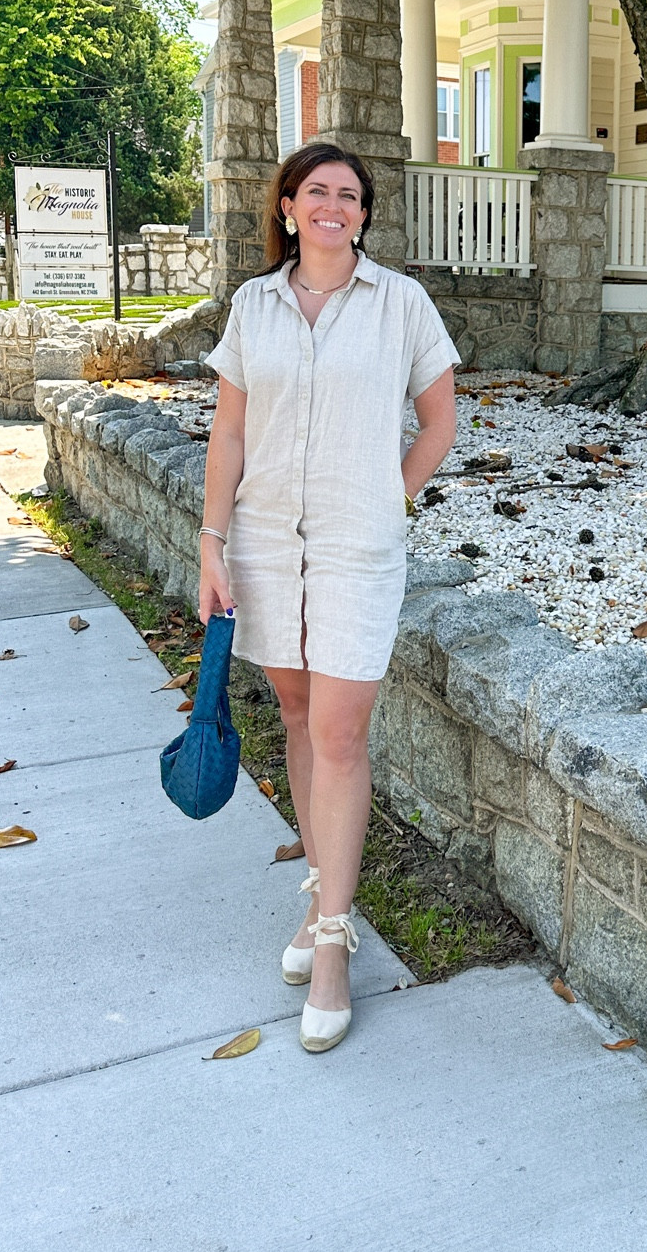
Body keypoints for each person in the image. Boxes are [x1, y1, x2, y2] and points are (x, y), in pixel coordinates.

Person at [197, 141, 459, 1052]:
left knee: (342, 732)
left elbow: (441, 419)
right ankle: (321, 895)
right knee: (300, 718)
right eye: (318, 193)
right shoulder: (253, 307)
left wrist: (391, 495)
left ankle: (338, 941)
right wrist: (211, 543)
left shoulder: (400, 304)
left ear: (363, 214)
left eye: (350, 196)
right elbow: (227, 434)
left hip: (358, 548)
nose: (334, 207)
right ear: (287, 208)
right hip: (266, 544)